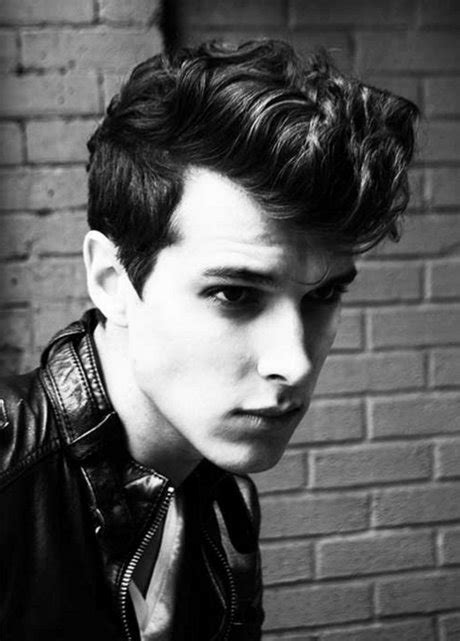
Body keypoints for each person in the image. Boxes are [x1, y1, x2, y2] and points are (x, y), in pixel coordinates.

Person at [0, 39, 418, 640]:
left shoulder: (227, 505)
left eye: (324, 294)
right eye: (234, 294)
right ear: (112, 281)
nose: (295, 364)